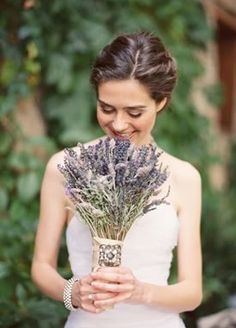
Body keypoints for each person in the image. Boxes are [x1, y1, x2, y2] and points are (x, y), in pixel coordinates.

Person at [31, 31, 202, 328]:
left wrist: (140, 292)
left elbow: (192, 292)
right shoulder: (63, 167)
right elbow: (41, 266)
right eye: (106, 109)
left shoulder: (184, 177)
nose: (119, 124)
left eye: (134, 112)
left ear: (161, 102)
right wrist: (73, 291)